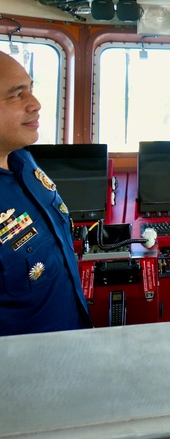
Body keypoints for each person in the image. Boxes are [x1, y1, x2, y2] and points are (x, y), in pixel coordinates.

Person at [0, 52, 91, 335]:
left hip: (73, 337)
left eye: (30, 89)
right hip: (24, 372)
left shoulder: (23, 161)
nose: (36, 104)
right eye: (17, 95)